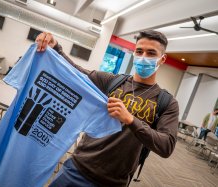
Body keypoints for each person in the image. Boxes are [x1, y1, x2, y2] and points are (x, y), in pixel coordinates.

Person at [35, 30, 179, 187]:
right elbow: (76, 72)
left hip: (113, 182)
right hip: (78, 169)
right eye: (139, 51)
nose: (143, 57)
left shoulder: (166, 102)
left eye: (151, 53)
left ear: (162, 59)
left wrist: (130, 119)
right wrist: (56, 48)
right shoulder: (113, 81)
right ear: (134, 53)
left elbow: (166, 146)